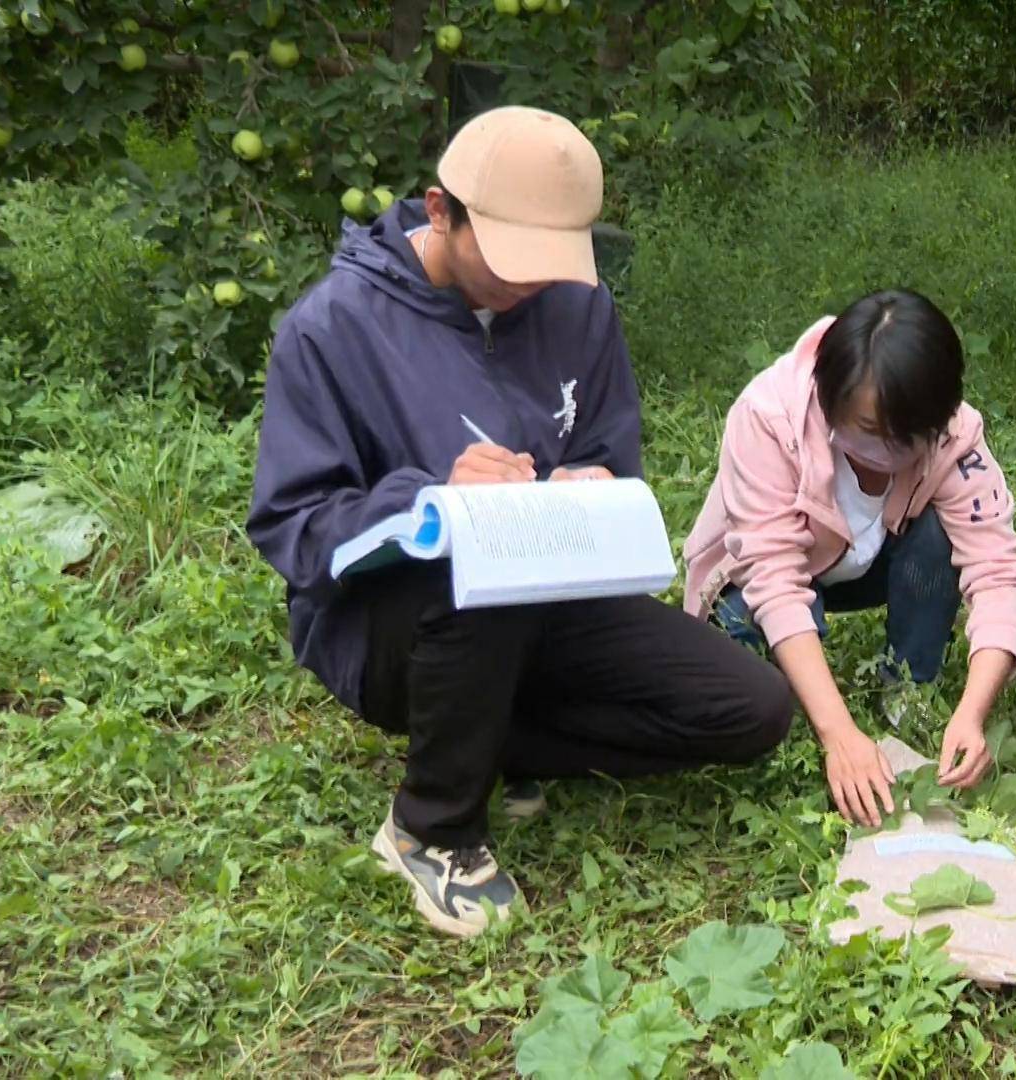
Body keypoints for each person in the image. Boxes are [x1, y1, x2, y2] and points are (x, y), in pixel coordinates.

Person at [247, 106, 793, 939]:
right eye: (509, 262)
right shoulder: (334, 328)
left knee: (751, 709)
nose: (529, 285)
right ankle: (431, 828)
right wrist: (432, 500)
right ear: (440, 211)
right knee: (474, 570)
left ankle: (505, 740)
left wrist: (595, 479)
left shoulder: (579, 308)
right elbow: (294, 527)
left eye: (549, 263)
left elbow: (613, 449)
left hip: (554, 600)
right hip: (397, 622)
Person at [682, 290, 1016, 826]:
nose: (885, 452)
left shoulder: (953, 434)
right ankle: (804, 706)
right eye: (868, 431)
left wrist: (973, 712)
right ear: (828, 398)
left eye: (905, 439)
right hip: (753, 579)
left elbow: (998, 572)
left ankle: (909, 690)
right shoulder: (768, 417)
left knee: (940, 536)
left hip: (868, 562)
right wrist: (838, 735)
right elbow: (774, 579)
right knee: (742, 641)